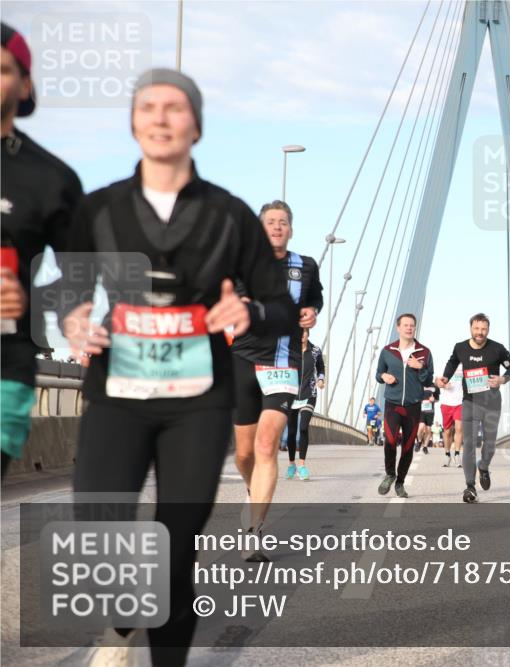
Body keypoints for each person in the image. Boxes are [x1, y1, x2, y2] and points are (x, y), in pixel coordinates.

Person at [59, 68, 295, 666]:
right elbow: (67, 290)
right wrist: (71, 317)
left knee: (177, 545)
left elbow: (281, 305)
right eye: (148, 107)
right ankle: (121, 619)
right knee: (98, 524)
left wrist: (247, 307)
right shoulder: (98, 209)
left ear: (197, 125)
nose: (161, 117)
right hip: (117, 392)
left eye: (174, 107)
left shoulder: (230, 215)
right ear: (134, 122)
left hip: (199, 400)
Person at [1, 23, 83, 478]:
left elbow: (80, 275)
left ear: (25, 84)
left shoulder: (52, 180)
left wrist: (33, 303)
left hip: (5, 365)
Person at [231, 198, 323, 559]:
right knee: (243, 453)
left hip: (284, 362)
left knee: (268, 446)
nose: (277, 227)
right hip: (241, 358)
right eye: (270, 222)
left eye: (283, 221)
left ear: (291, 228)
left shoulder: (307, 266)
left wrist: (311, 313)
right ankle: (253, 492)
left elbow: (314, 302)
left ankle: (253, 531)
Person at [436, 313, 510, 503]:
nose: (480, 332)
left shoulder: (497, 349)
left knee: (489, 445)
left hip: (492, 403)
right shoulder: (460, 347)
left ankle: (484, 466)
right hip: (469, 402)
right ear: (471, 328)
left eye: (484, 329)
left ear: (488, 330)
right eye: (476, 328)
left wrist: (503, 379)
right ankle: (470, 487)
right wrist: (445, 377)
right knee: (469, 445)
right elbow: (452, 362)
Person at [374, 313, 433, 498]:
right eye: (405, 325)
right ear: (398, 328)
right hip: (392, 403)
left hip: (413, 405)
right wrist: (384, 377)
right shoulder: (387, 351)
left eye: (412, 325)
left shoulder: (424, 352)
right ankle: (390, 474)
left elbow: (428, 379)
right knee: (390, 441)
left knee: (407, 447)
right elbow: (378, 373)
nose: (409, 328)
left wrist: (420, 367)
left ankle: (400, 483)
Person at [286, 331, 325, 481]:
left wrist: (321, 379)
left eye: (303, 332)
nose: (301, 335)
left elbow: (321, 368)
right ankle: (291, 464)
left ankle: (301, 465)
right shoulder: (288, 350)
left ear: (308, 334)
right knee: (291, 431)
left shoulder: (315, 350)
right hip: (291, 394)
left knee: (303, 427)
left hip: (310, 393)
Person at [439, 363, 463, 467]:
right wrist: (444, 385)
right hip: (447, 403)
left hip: (460, 402)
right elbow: (437, 381)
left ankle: (457, 454)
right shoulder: (447, 366)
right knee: (447, 431)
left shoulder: (467, 364)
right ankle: (447, 453)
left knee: (459, 428)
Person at [417, 384, 439, 454]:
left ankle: (425, 447)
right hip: (421, 411)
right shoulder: (419, 385)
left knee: (428, 430)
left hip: (430, 411)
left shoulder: (435, 387)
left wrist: (434, 400)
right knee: (420, 427)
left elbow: (437, 399)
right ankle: (419, 441)